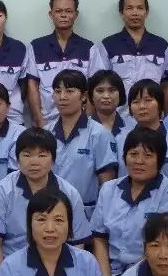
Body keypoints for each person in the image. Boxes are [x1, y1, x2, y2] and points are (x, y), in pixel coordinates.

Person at [92, 127, 168, 276]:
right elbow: (100, 238)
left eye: (148, 155)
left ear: (160, 160)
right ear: (124, 157)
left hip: (152, 275)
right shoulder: (109, 189)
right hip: (110, 273)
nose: (139, 161)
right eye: (133, 154)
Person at [0, 128, 91, 268]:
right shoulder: (2, 191)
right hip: (13, 267)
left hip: (58, 266)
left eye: (42, 155)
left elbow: (77, 243)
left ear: (53, 160)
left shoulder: (70, 194)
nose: (34, 162)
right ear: (17, 159)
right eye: (27, 155)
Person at [47, 69, 118, 220]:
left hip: (86, 214)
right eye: (58, 91)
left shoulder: (99, 133)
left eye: (69, 91)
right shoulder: (46, 132)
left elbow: (107, 184)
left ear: (84, 96)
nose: (62, 97)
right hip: (49, 211)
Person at [28, 0, 99, 128]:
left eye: (68, 11)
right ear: (51, 14)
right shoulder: (36, 46)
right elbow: (32, 86)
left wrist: (86, 121)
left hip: (79, 121)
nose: (63, 15)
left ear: (76, 14)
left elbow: (93, 86)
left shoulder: (89, 47)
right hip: (47, 121)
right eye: (58, 11)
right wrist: (39, 121)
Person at [91, 0, 168, 105]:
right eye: (129, 8)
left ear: (147, 12)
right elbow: (99, 85)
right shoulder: (108, 45)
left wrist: (166, 113)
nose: (135, 13)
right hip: (118, 112)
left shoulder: (161, 45)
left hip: (152, 112)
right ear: (121, 13)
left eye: (140, 8)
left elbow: (166, 85)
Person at [86, 70, 126, 138]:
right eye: (100, 91)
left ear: (120, 95)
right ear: (92, 96)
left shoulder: (131, 127)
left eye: (112, 90)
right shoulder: (81, 129)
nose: (106, 96)